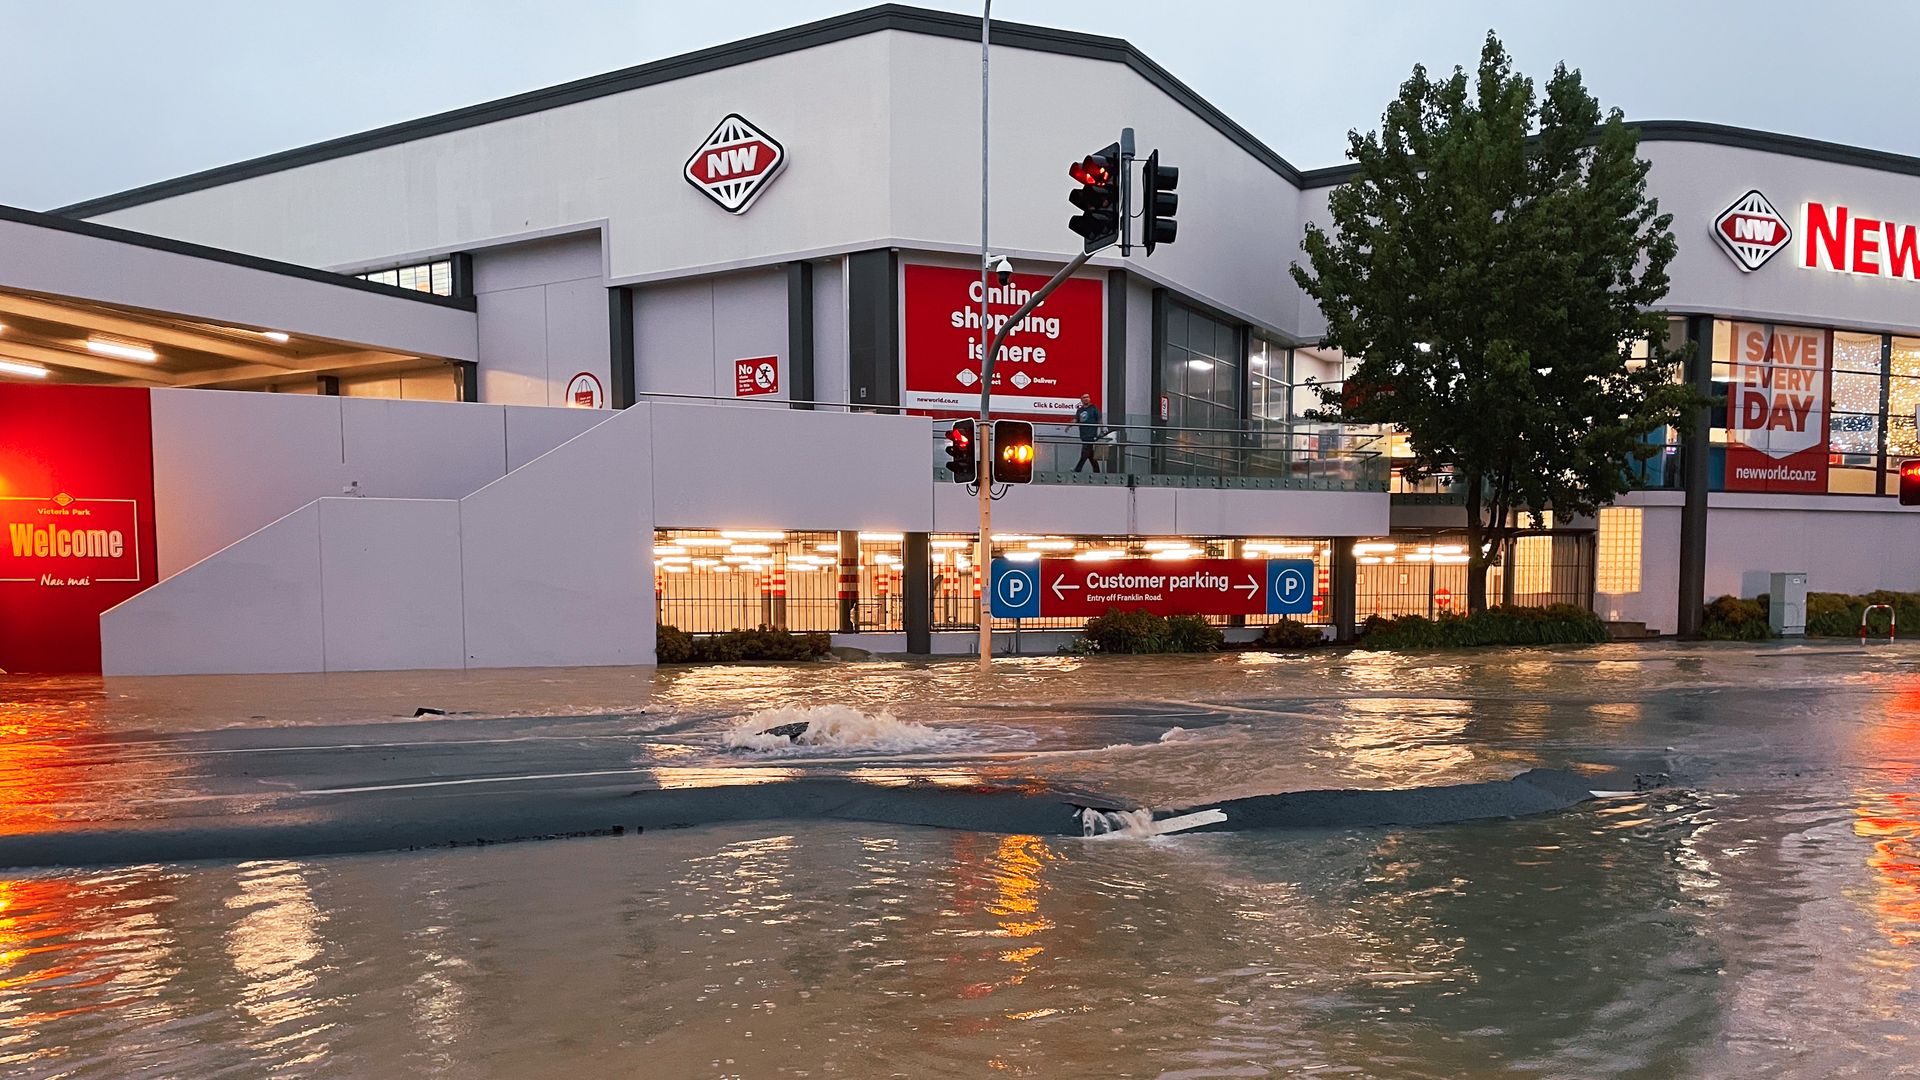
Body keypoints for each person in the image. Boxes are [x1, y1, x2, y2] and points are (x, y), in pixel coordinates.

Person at [1073, 394, 1104, 473]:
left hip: (1091, 435)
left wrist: (1102, 430)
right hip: (1083, 435)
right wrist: (1069, 426)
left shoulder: (1094, 408)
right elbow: (1076, 420)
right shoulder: (1079, 410)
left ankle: (1077, 470)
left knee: (1085, 453)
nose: (1086, 399)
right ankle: (1097, 471)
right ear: (1081, 400)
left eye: (1087, 397)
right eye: (1084, 397)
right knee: (1090, 455)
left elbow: (1099, 419)